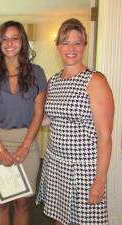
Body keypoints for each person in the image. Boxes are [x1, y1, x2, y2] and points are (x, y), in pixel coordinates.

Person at [36, 18, 114, 225]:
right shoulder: (54, 80)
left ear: (84, 46)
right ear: (58, 47)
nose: (71, 48)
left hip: (84, 169)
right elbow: (46, 120)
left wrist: (100, 180)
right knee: (59, 220)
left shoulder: (95, 81)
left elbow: (105, 136)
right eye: (65, 42)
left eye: (77, 42)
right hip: (56, 163)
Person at [0, 21, 47, 225]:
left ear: (23, 42)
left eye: (15, 38)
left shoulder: (37, 73)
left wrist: (25, 146)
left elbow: (38, 112)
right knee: (1, 202)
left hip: (27, 142)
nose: (9, 43)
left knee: (22, 203)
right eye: (4, 38)